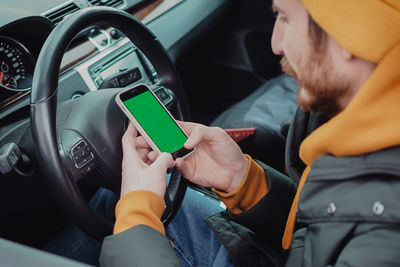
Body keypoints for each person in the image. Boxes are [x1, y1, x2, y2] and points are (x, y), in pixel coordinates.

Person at [98, 0, 400, 266]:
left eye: (285, 17)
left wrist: (137, 217)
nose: (276, 43)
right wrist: (244, 182)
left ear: (349, 32)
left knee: (110, 202)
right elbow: (322, 232)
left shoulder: (381, 243)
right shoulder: (364, 137)